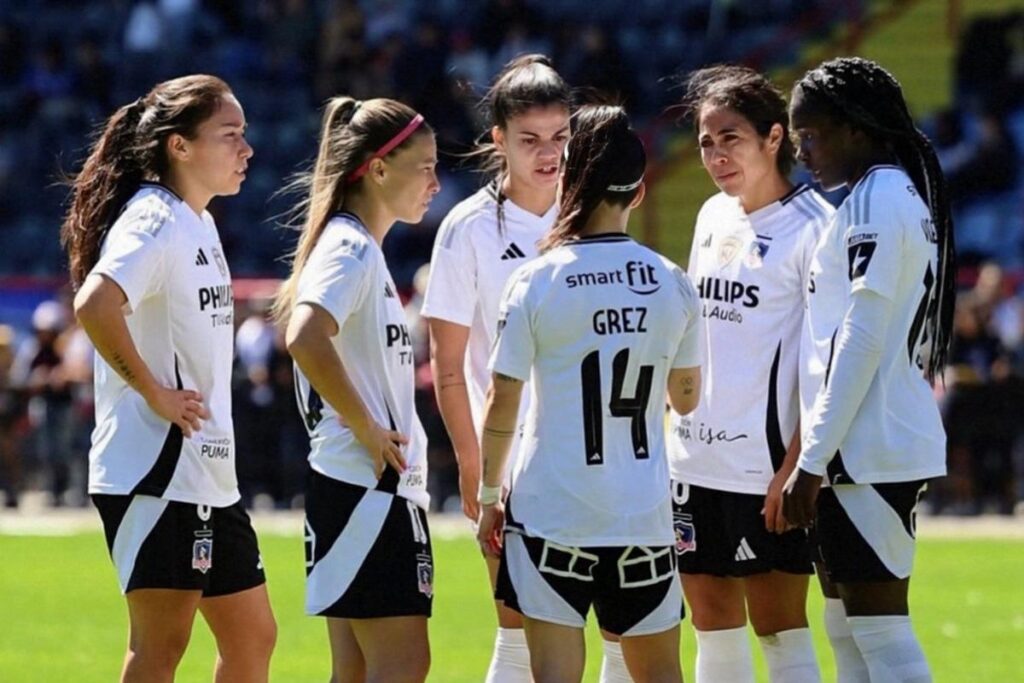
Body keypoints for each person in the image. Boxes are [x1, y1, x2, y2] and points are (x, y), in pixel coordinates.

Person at [476, 104, 702, 683]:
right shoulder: (672, 280)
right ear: (640, 192)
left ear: (571, 184)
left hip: (554, 514)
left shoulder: (537, 279)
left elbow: (503, 402)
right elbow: (688, 397)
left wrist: (487, 496)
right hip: (642, 514)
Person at [61, 75, 276, 683]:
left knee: (253, 636)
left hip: (207, 474)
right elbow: (94, 304)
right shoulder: (154, 217)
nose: (246, 149)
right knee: (161, 646)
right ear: (179, 146)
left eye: (245, 135)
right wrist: (153, 391)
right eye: (229, 135)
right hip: (155, 469)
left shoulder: (197, 221)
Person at [785, 57, 956, 683]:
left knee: (883, 633)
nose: (803, 150)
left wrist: (810, 460)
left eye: (812, 134)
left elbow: (861, 335)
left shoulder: (879, 197)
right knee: (846, 625)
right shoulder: (877, 196)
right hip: (858, 447)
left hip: (869, 447)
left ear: (856, 128)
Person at [666, 65, 831, 683]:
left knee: (781, 627)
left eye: (729, 137)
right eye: (706, 142)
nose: (715, 155)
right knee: (710, 623)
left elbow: (826, 365)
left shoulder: (815, 226)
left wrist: (795, 466)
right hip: (691, 462)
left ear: (772, 137)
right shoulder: (712, 215)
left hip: (766, 471)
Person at [274, 96, 440, 683]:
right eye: (425, 167)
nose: (436, 183)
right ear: (377, 169)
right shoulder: (348, 246)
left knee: (356, 669)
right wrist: (368, 428)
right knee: (402, 664)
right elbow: (305, 335)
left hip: (359, 490)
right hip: (365, 489)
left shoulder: (358, 247)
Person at [421, 54, 575, 682]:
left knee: (624, 635)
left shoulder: (592, 210)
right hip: (513, 463)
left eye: (562, 137)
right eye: (531, 140)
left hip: (598, 458)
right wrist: (476, 468)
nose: (549, 154)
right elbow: (449, 367)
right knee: (517, 631)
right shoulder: (467, 228)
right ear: (498, 140)